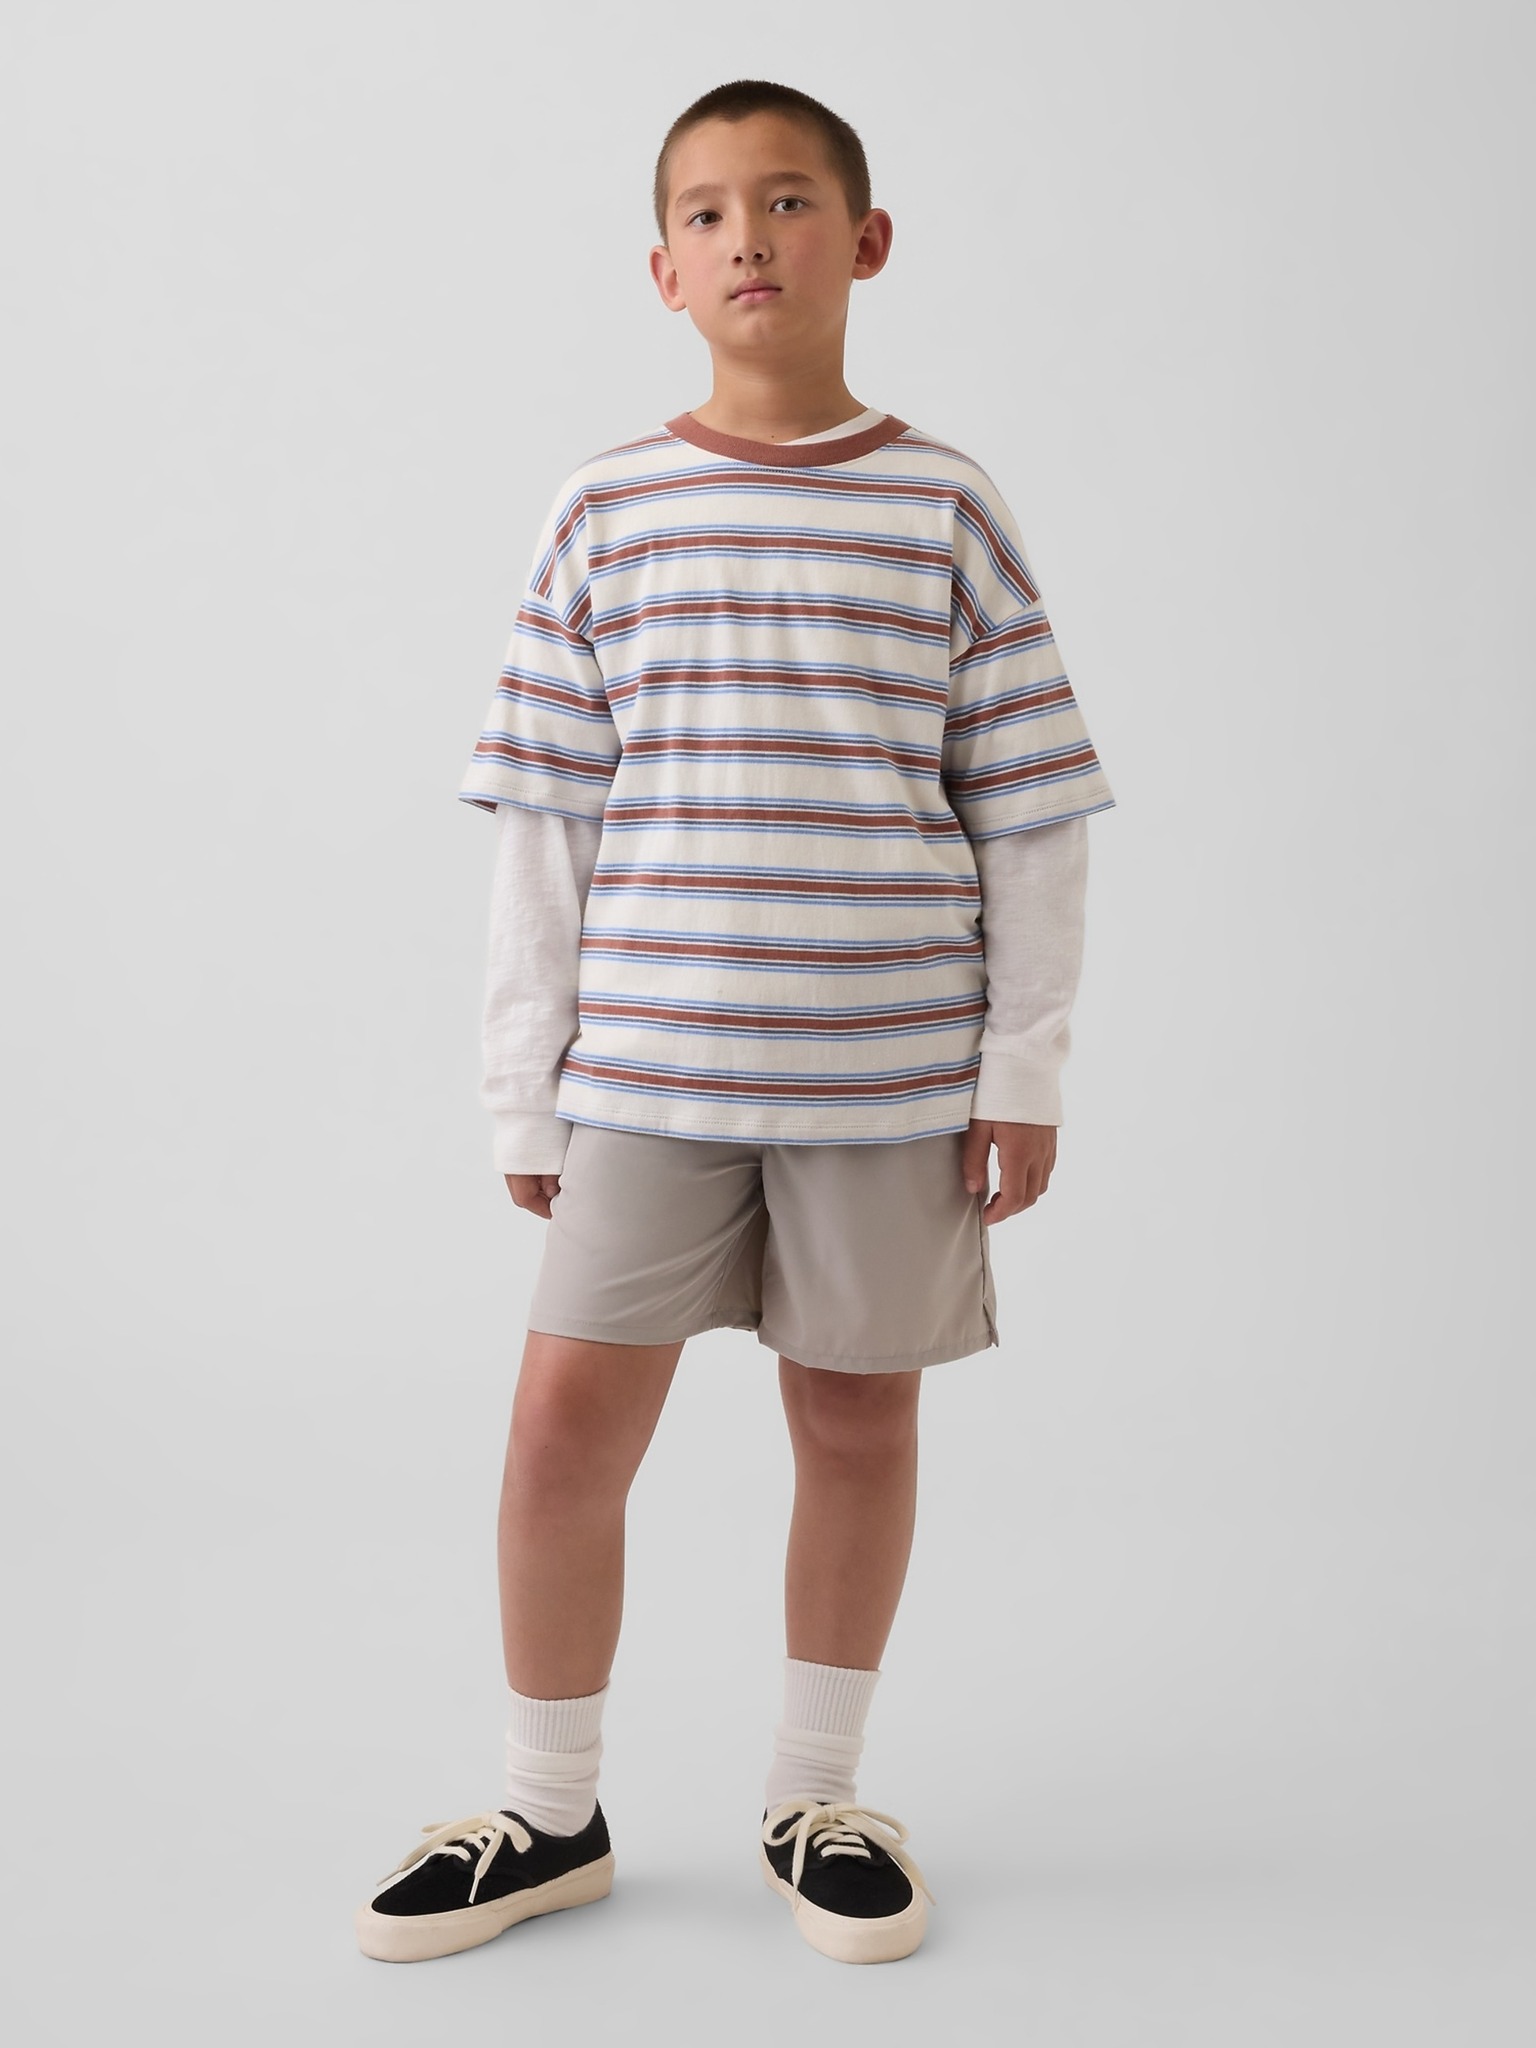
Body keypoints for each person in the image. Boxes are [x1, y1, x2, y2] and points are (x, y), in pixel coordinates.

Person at [355, 76, 1115, 1970]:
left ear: (865, 242)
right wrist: (521, 1088)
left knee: (853, 1424)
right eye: (705, 212)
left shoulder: (946, 505)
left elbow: (1030, 805)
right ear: (663, 272)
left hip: (889, 1077)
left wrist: (1022, 1065)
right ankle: (548, 1811)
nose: (747, 237)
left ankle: (816, 1796)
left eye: (786, 201)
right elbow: (546, 816)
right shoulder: (604, 507)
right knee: (561, 1428)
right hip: (649, 1074)